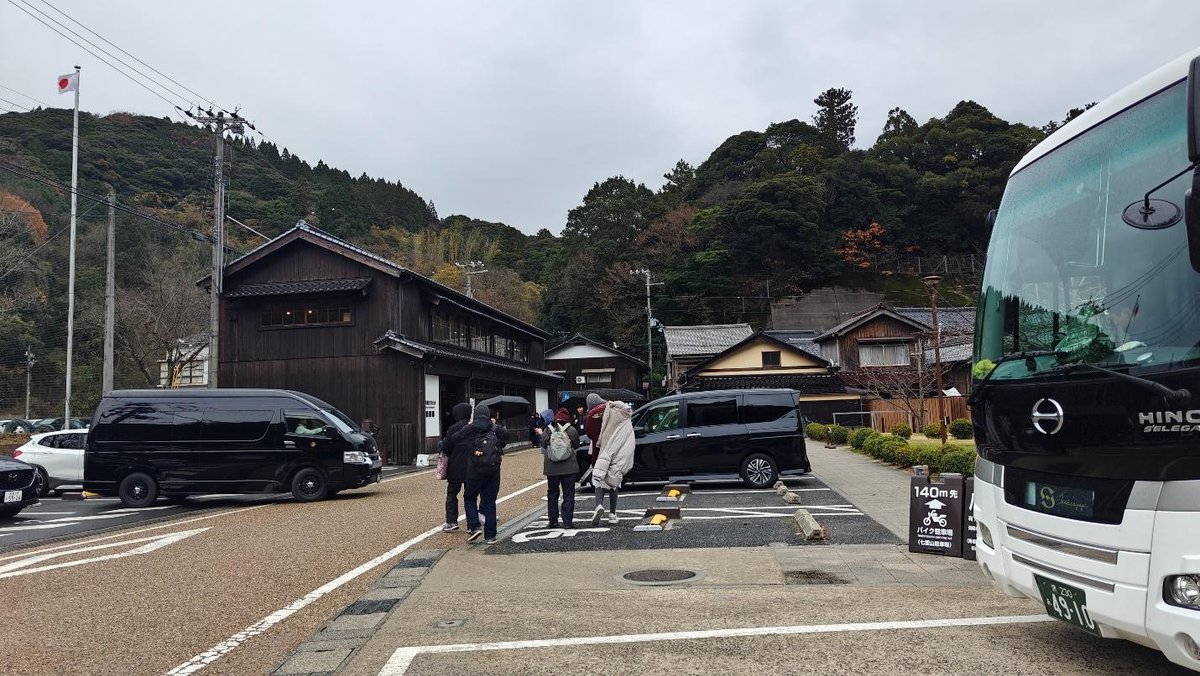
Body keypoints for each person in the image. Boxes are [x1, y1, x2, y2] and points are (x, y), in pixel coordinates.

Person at [444, 403, 510, 543]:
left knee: (469, 498)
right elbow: (506, 437)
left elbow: (454, 439)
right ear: (487, 414)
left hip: (474, 468)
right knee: (490, 501)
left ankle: (474, 527)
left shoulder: (471, 428)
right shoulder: (494, 427)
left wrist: (468, 431)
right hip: (493, 469)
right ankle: (491, 536)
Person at [590, 399, 635, 526]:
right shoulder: (624, 417)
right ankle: (612, 514)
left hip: (604, 450)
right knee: (614, 483)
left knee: (599, 479)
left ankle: (599, 505)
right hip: (618, 453)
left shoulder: (605, 414)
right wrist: (618, 403)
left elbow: (592, 430)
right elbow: (628, 409)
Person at [541, 407, 579, 529]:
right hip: (569, 468)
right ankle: (567, 522)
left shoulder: (548, 430)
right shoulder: (571, 430)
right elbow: (577, 444)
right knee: (568, 494)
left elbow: (542, 444)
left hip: (552, 468)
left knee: (552, 493)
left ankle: (553, 520)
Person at [439, 402, 473, 532]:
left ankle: (451, 522)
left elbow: (447, 448)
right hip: (471, 465)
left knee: (452, 493)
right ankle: (472, 524)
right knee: (470, 495)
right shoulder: (472, 427)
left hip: (455, 466)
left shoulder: (453, 428)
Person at [581, 393, 606, 487]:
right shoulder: (608, 409)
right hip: (611, 445)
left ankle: (599, 499)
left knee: (598, 472)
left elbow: (589, 433)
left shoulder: (590, 416)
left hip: (597, 446)